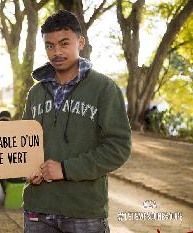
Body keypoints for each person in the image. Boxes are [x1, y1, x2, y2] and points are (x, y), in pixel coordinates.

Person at [22, 10, 131, 233]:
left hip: (84, 212)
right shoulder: (35, 92)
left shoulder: (104, 89)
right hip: (37, 210)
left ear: (80, 42)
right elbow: (23, 144)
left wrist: (65, 169)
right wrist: (25, 167)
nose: (56, 52)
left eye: (64, 43)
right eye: (50, 46)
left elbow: (118, 148)